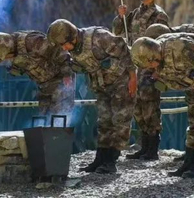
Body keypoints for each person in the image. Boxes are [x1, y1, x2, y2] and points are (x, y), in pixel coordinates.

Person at [47, 19, 136, 174]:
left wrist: (133, 79)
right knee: (104, 122)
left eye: (64, 44)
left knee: (120, 121)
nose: (64, 48)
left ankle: (111, 160)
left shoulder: (98, 37)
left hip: (121, 82)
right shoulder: (74, 48)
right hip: (102, 86)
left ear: (72, 37)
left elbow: (125, 51)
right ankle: (100, 159)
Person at [131, 35, 194, 178]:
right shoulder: (157, 62)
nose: (150, 68)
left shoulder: (179, 47)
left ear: (153, 56)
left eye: (149, 64)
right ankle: (188, 163)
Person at [112, 0, 170, 161]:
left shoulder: (158, 15)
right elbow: (118, 31)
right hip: (135, 66)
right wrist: (120, 17)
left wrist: (158, 70)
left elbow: (163, 41)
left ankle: (152, 149)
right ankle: (144, 146)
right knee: (138, 106)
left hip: (150, 67)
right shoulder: (135, 13)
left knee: (150, 106)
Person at [0, 31, 74, 116]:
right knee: (45, 114)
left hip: (61, 78)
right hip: (44, 85)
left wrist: (67, 74)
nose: (6, 59)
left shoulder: (31, 42)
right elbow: (21, 69)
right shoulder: (14, 51)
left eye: (6, 56)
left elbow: (59, 52)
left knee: (60, 113)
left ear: (8, 49)